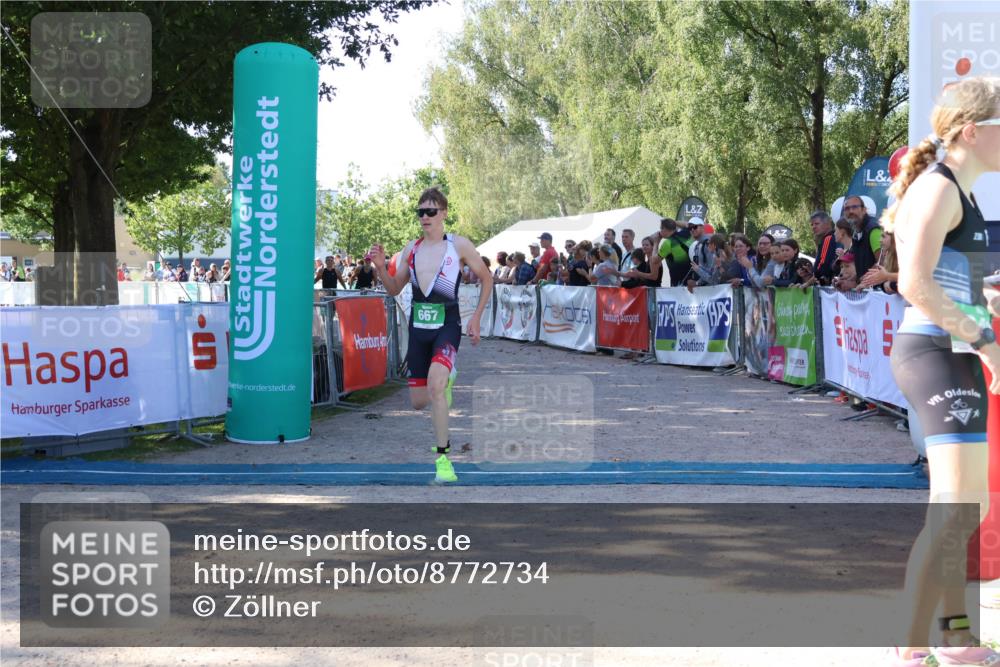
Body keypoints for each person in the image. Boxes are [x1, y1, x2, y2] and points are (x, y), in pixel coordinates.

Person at [883, 76, 1000, 667]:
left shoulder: (967, 193)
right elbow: (914, 283)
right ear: (974, 131)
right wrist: (982, 338)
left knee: (965, 508)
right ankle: (910, 642)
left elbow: (965, 285)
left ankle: (956, 638)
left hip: (954, 353)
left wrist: (987, 319)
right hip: (934, 354)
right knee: (956, 508)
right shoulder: (940, 189)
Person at [368, 187, 492, 484]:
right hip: (418, 329)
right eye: (421, 212)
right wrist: (381, 267)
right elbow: (394, 288)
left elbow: (487, 278)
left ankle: (443, 461)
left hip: (447, 326)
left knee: (436, 388)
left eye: (431, 211)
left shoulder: (459, 246)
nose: (425, 217)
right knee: (419, 402)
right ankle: (445, 377)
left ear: (444, 213)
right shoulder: (411, 248)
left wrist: (476, 318)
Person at [843, 194, 882, 279]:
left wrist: (862, 280)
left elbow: (882, 262)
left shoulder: (873, 230)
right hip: (867, 289)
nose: (851, 211)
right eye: (847, 208)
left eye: (854, 207)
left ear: (864, 210)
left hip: (879, 289)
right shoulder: (856, 233)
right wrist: (851, 281)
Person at [657, 218, 692, 287]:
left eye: (661, 228)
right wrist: (673, 223)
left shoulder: (667, 243)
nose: (660, 231)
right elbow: (687, 224)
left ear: (665, 229)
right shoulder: (686, 233)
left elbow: (655, 261)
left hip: (678, 283)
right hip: (692, 280)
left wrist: (656, 242)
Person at [810, 211, 839, 285]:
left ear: (827, 224)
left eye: (817, 224)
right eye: (812, 224)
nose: (813, 227)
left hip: (827, 282)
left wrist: (816, 274)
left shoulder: (828, 238)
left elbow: (823, 262)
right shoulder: (830, 238)